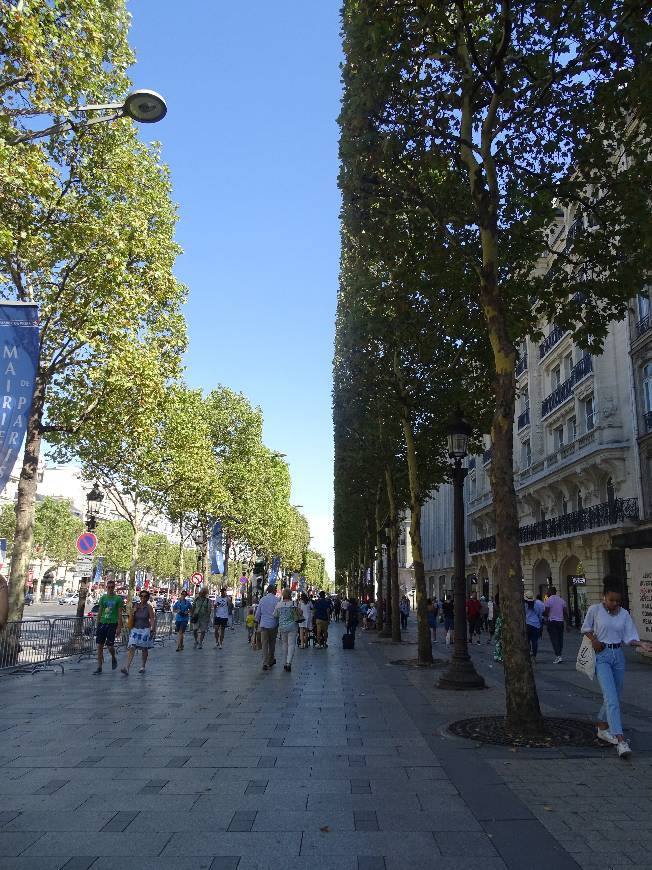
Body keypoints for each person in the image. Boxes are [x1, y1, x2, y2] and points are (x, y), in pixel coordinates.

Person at [581, 578, 652, 757]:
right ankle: (620, 740)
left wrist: (640, 644)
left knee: (615, 696)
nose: (614, 603)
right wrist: (594, 640)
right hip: (602, 656)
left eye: (617, 601)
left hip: (618, 656)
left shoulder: (624, 614)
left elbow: (629, 637)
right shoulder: (594, 610)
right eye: (611, 600)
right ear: (604, 597)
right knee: (611, 698)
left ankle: (602, 726)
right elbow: (585, 628)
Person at [121, 589, 155, 676]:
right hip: (135, 629)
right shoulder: (135, 605)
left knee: (144, 649)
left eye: (145, 596)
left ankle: (143, 666)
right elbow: (131, 616)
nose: (143, 598)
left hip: (145, 630)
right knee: (132, 647)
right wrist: (133, 611)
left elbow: (151, 619)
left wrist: (152, 629)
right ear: (139, 597)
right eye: (141, 596)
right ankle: (127, 667)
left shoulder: (149, 607)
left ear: (148, 598)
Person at [93, 579, 124, 674]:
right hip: (103, 623)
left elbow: (119, 614)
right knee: (99, 646)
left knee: (110, 645)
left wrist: (119, 627)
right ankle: (99, 667)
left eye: (112, 587)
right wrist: (97, 624)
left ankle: (113, 657)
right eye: (109, 587)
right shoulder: (103, 598)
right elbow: (100, 611)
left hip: (112, 623)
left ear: (114, 588)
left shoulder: (118, 599)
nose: (110, 589)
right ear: (106, 588)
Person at [274, 588, 299, 671]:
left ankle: (285, 662)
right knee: (291, 644)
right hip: (293, 626)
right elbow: (298, 613)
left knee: (284, 644)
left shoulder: (278, 604)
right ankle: (289, 663)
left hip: (282, 627)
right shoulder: (293, 603)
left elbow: (275, 615)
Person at [256, 584, 279, 671]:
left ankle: (265, 662)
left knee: (264, 644)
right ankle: (271, 660)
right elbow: (278, 613)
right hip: (273, 625)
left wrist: (256, 622)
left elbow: (258, 613)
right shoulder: (277, 600)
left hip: (264, 625)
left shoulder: (262, 599)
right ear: (273, 591)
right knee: (272, 644)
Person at [544, 586, 568, 663]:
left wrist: (545, 616)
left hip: (552, 622)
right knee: (560, 639)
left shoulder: (548, 601)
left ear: (551, 592)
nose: (547, 593)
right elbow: (565, 613)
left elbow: (546, 612)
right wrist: (567, 624)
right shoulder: (561, 600)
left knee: (554, 639)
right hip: (560, 622)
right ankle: (559, 654)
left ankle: (558, 656)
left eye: (548, 591)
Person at [524, 591, 545, 661]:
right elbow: (540, 615)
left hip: (527, 624)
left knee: (527, 640)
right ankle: (534, 656)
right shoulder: (537, 604)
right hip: (536, 625)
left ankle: (528, 653)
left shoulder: (524, 604)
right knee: (535, 641)